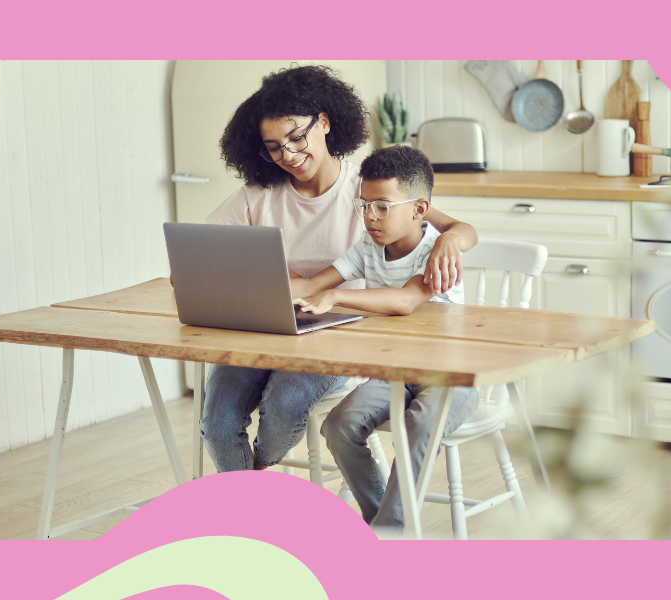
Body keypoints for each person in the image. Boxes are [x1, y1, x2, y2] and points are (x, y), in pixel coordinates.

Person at [201, 65, 478, 473]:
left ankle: (250, 482)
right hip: (261, 326)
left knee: (283, 406)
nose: (289, 155)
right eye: (274, 146)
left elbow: (455, 226)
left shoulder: (366, 189)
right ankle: (250, 503)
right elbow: (202, 255)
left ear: (325, 122)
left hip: (336, 332)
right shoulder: (258, 194)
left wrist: (451, 240)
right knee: (218, 422)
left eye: (297, 137)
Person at [294, 145, 479, 533]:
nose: (369, 218)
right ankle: (385, 524)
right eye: (363, 206)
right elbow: (314, 283)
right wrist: (262, 283)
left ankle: (390, 531)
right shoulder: (368, 248)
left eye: (381, 206)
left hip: (450, 376)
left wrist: (338, 296)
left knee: (418, 423)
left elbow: (406, 300)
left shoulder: (438, 254)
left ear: (417, 209)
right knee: (339, 426)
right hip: (393, 375)